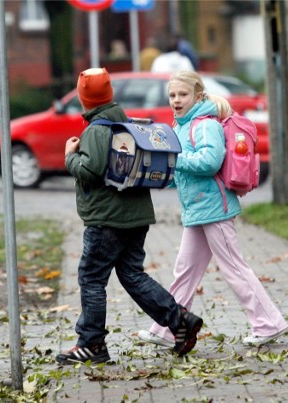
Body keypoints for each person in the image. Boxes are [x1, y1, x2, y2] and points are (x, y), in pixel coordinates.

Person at [57, 67, 203, 365]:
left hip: (108, 220)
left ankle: (92, 344)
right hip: (135, 216)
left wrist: (70, 155)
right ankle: (180, 320)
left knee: (92, 278)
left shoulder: (98, 129)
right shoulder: (122, 122)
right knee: (132, 274)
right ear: (108, 95)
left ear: (84, 99)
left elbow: (91, 171)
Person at [138, 71, 288, 349]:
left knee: (234, 267)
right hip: (196, 210)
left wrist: (174, 159)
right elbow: (181, 169)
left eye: (183, 94)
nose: (176, 100)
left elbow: (209, 161)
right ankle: (168, 329)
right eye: (172, 95)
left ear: (198, 96)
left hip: (214, 209)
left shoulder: (205, 125)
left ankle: (269, 323)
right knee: (184, 271)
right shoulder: (180, 126)